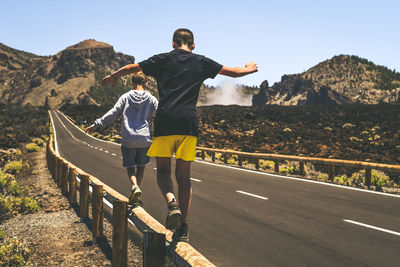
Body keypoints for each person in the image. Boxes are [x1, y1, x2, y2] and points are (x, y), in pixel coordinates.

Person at [102, 28, 258, 242]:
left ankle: (171, 203)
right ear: (193, 45)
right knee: (184, 177)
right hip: (188, 125)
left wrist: (112, 76)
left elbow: (132, 67)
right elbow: (234, 73)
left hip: (166, 123)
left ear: (174, 43)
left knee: (163, 171)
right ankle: (183, 227)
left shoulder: (162, 60)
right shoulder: (201, 61)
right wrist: (249, 69)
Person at [86, 72, 158, 207]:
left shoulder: (125, 97)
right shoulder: (151, 99)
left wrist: (96, 124)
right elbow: (161, 114)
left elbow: (113, 113)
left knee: (130, 167)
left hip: (128, 138)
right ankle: (136, 190)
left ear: (132, 83)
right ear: (146, 83)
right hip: (144, 138)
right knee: (141, 167)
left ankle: (134, 186)